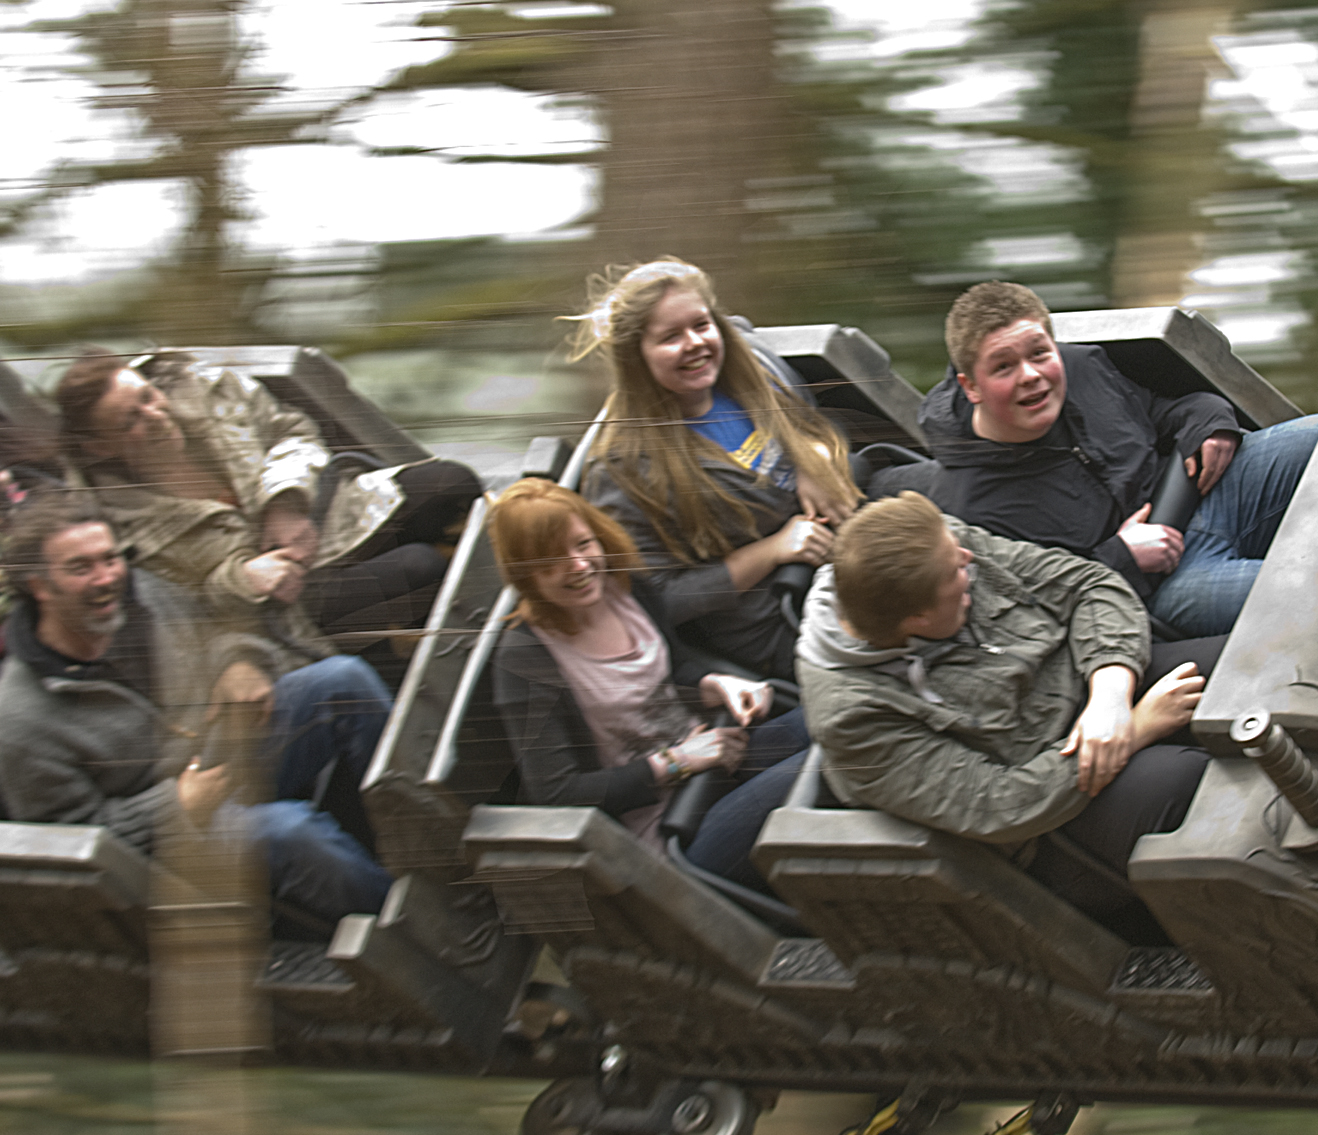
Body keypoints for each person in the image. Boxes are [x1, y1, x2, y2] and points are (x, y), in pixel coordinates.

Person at [797, 491, 1222, 937]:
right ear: (919, 619)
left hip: (1092, 680)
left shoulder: (935, 547)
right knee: (1186, 783)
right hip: (1054, 822)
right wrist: (1132, 732)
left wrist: (1110, 697)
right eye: (957, 572)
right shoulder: (853, 715)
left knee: (1239, 674)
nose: (968, 558)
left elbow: (1088, 585)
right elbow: (999, 804)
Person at [0, 491, 391, 939]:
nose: (106, 578)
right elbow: (73, 847)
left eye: (110, 559)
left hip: (227, 752)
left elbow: (216, 629)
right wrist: (174, 806)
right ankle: (409, 930)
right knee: (292, 831)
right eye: (81, 568)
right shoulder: (20, 724)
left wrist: (239, 662)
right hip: (169, 842)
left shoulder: (144, 597)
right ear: (40, 586)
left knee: (343, 681)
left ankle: (429, 847)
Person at [915, 281, 1318, 639]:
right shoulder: (971, 509)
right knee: (1310, 593)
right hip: (1163, 588)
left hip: (1205, 492)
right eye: (1004, 367)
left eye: (1039, 353)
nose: (1030, 375)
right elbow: (1035, 610)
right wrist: (1122, 557)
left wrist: (1209, 422)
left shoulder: (1081, 366)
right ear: (971, 387)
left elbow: (1160, 413)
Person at [488, 478, 810, 892]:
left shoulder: (626, 587)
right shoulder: (523, 658)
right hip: (671, 829)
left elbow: (672, 673)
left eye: (583, 544)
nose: (580, 567)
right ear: (525, 574)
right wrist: (678, 761)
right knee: (831, 761)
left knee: (832, 718)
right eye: (552, 561)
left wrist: (720, 686)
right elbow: (559, 794)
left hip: (720, 756)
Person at [53, 348, 482, 645]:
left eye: (148, 397)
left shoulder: (208, 391)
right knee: (419, 566)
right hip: (289, 598)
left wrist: (285, 502)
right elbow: (181, 603)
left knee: (450, 483)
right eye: (131, 421)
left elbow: (291, 431)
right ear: (99, 447)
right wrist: (244, 578)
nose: (156, 416)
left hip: (322, 519)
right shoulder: (114, 520)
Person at [572, 258, 860, 679]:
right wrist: (772, 550)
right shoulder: (621, 470)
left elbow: (824, 424)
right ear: (635, 357)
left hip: (840, 551)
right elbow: (654, 602)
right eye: (670, 337)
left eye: (701, 325)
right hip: (775, 615)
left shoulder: (753, 367)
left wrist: (811, 457)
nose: (695, 344)